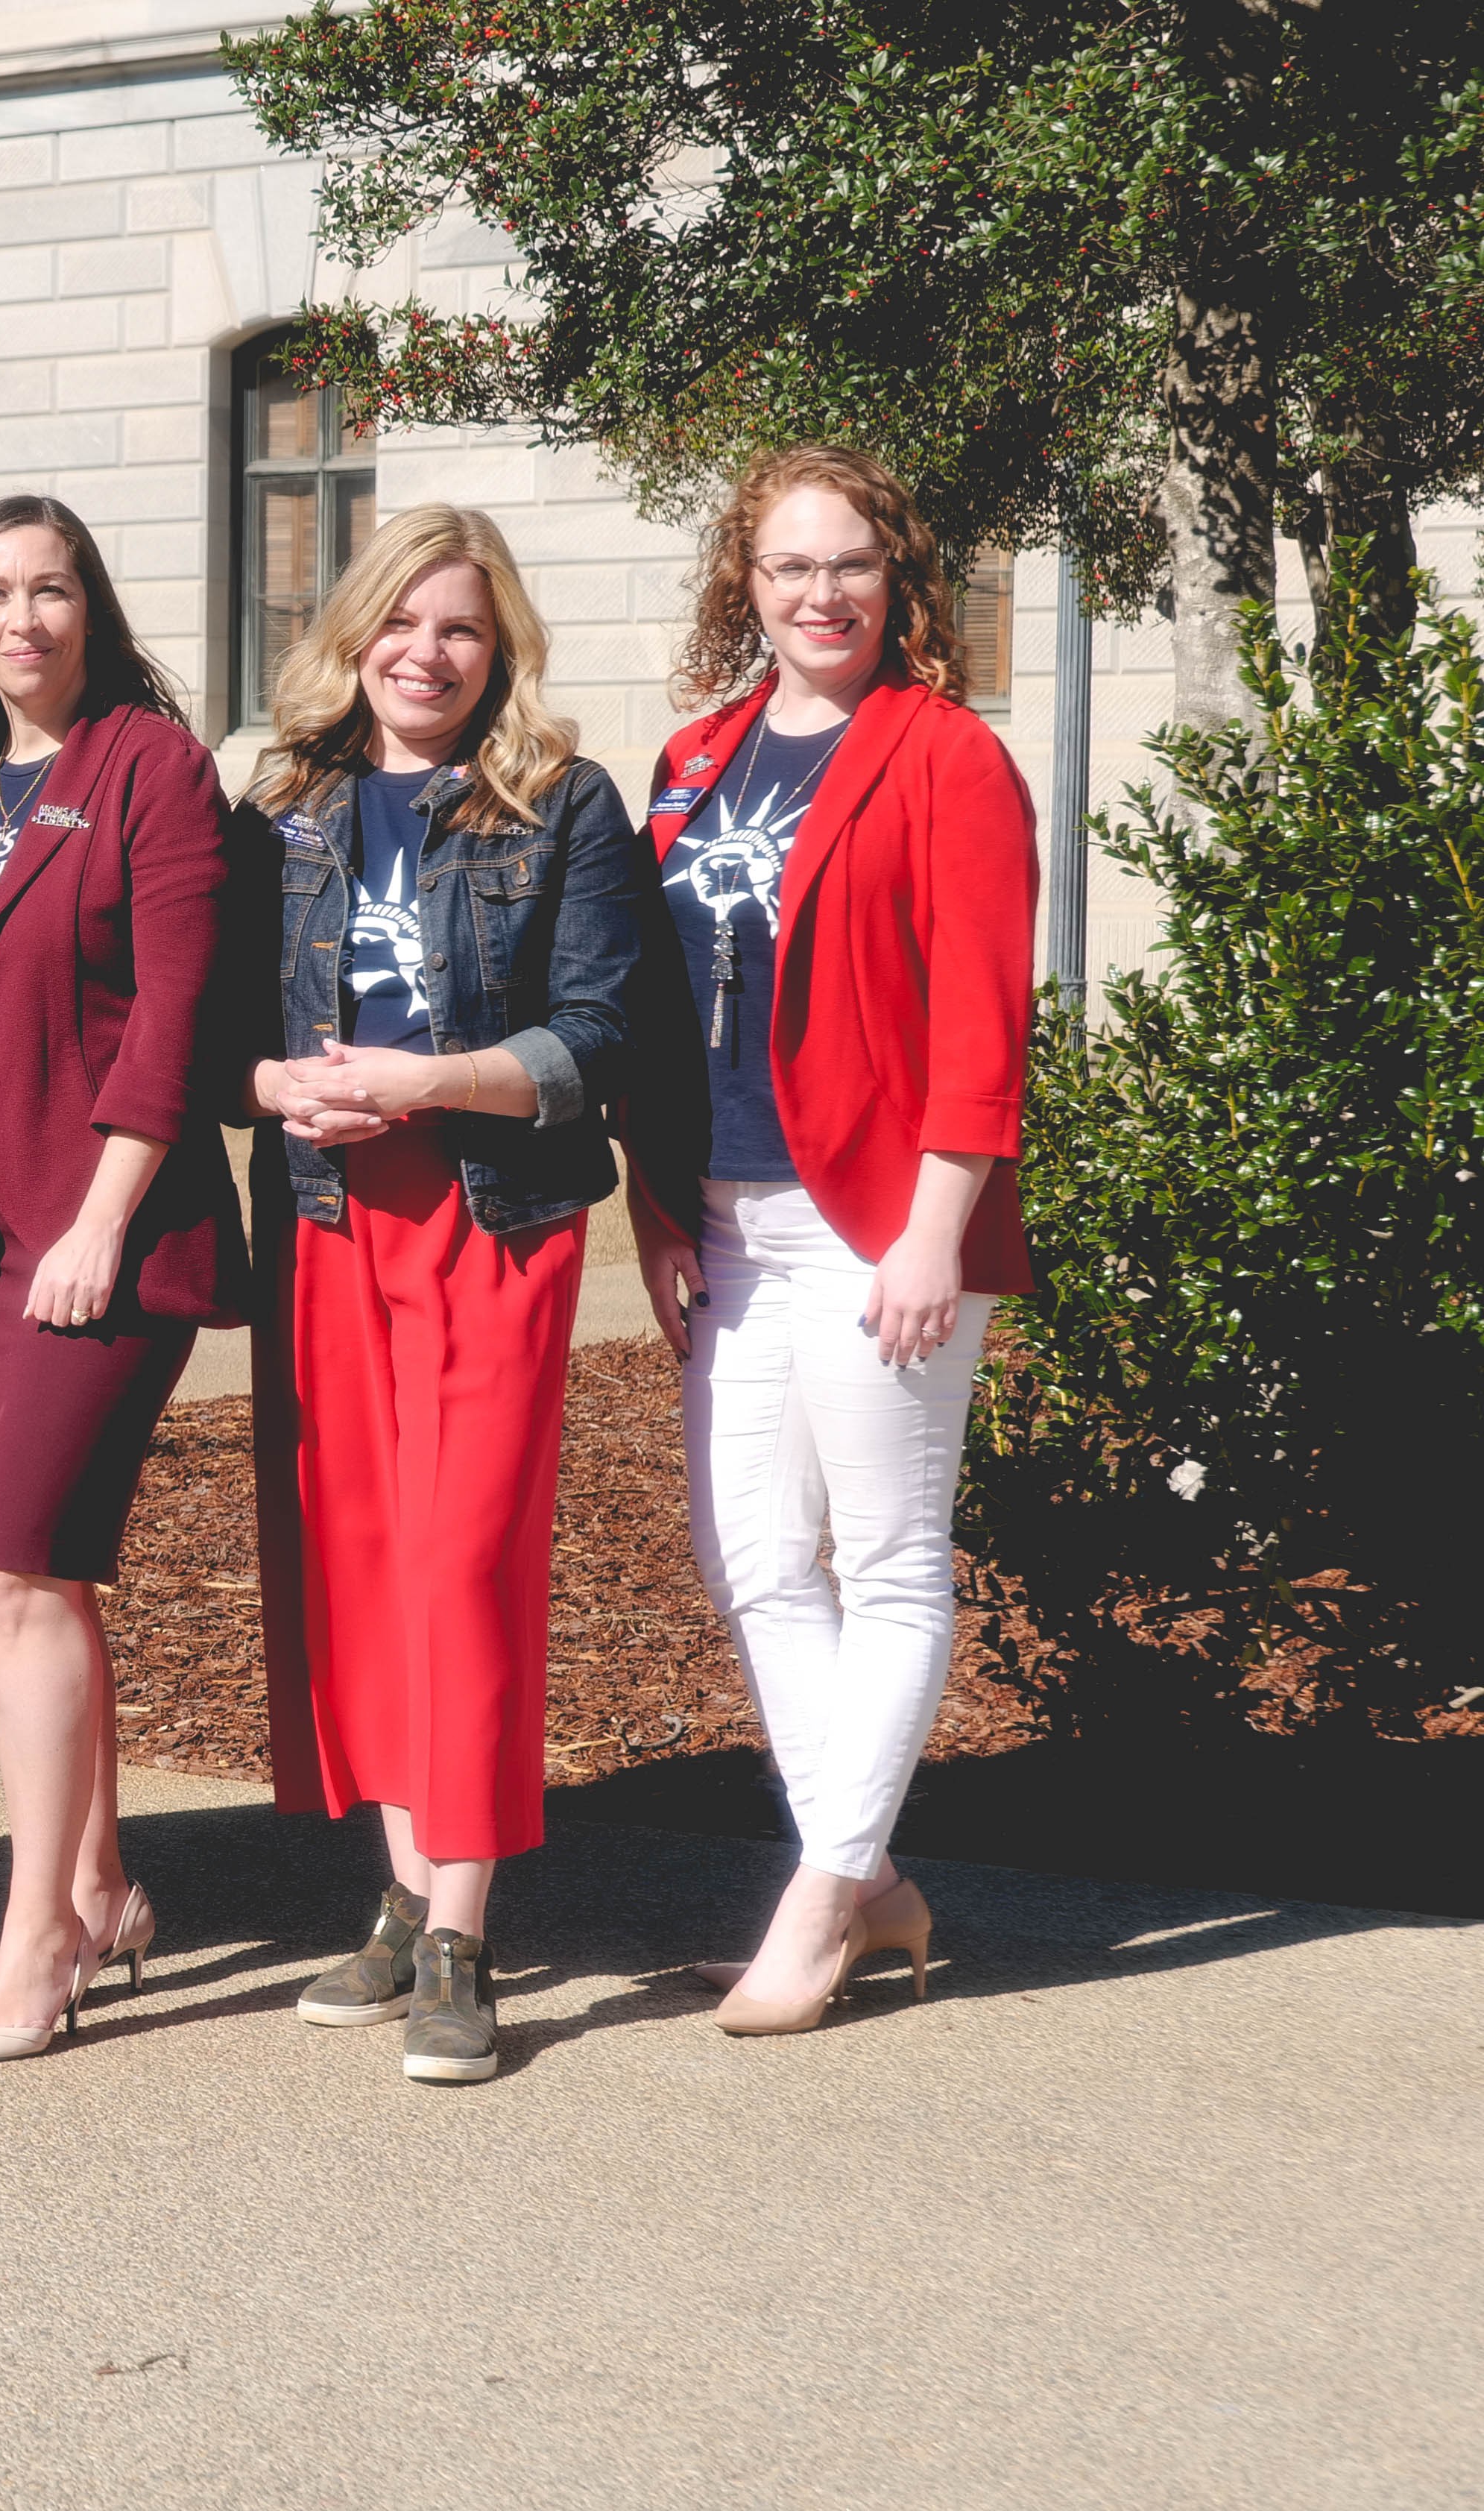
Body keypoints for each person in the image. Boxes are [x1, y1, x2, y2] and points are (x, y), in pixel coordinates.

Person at [236, 506, 648, 2086]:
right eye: (402, 623)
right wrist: (285, 1082)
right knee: (364, 1563)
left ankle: (465, 1933)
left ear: (501, 650)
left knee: (465, 1560)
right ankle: (408, 1892)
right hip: (335, 1218)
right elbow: (229, 1029)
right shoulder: (292, 807)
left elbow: (600, 1035)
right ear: (357, 635)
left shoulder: (564, 805)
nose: (427, 653)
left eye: (461, 629)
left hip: (492, 1219)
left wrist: (425, 1082)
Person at [629, 446, 1035, 2035]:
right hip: (724, 1216)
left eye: (850, 563)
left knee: (883, 1556)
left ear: (896, 576)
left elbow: (983, 1016)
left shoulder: (942, 754)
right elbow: (661, 1012)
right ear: (746, 581)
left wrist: (937, 1229)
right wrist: (657, 1205)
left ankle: (819, 1904)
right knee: (751, 1557)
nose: (821, 593)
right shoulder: (697, 756)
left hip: (878, 1221)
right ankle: (865, 1880)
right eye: (790, 567)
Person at [0, 496, 248, 2066]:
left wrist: (102, 1217)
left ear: (92, 606)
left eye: (50, 589)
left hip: (96, 1232)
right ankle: (96, 1879)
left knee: (24, 1566)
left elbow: (173, 1014)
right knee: (23, 1576)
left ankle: (34, 1948)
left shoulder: (148, 767)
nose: (22, 618)